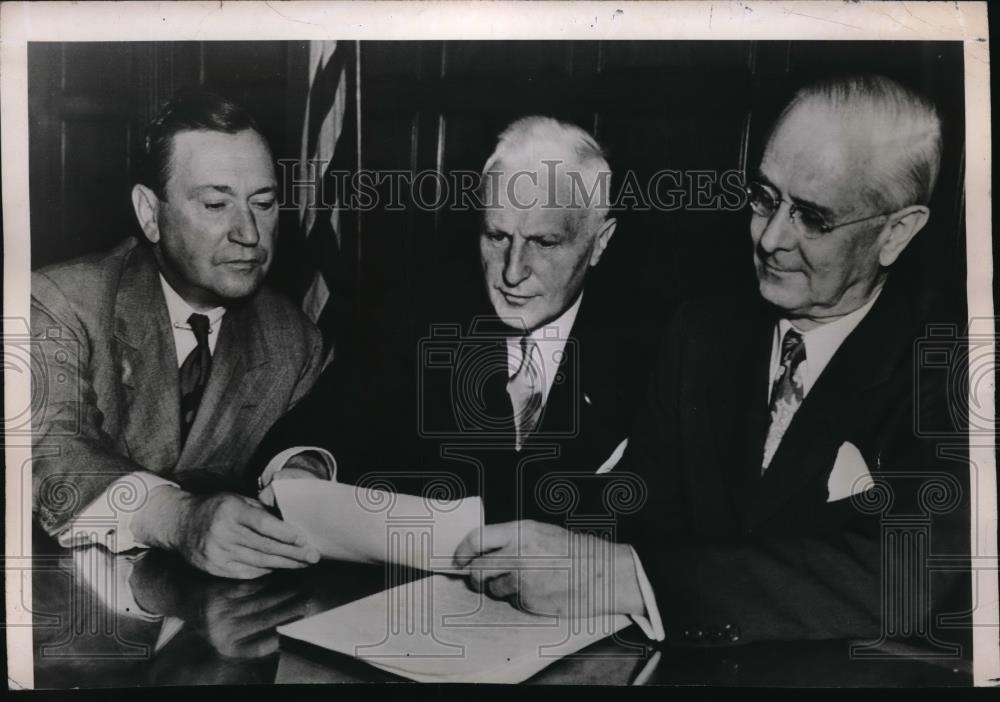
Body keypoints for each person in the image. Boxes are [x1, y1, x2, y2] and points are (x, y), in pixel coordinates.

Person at [454, 75, 969, 646]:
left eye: (813, 218)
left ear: (897, 232)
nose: (771, 238)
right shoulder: (701, 333)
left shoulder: (954, 365)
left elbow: (905, 575)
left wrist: (630, 578)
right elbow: (642, 502)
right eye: (766, 199)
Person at [256, 116, 657, 525]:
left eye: (544, 242)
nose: (512, 272)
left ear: (600, 242)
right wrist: (308, 464)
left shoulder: (656, 344)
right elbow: (327, 423)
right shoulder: (417, 313)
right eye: (497, 236)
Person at [32, 90, 325, 580]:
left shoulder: (293, 336)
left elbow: (309, 440)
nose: (249, 233)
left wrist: (301, 468)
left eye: (265, 203)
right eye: (215, 204)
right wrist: (179, 519)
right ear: (150, 212)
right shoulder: (60, 302)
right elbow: (51, 453)